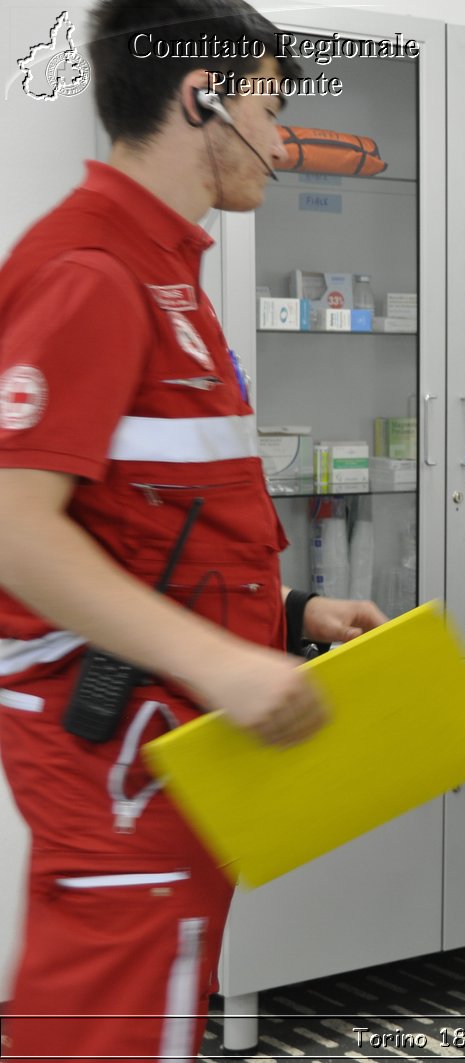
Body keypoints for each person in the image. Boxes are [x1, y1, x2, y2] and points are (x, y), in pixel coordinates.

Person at [0, 2, 385, 1058]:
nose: (280, 135)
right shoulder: (90, 270)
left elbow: (148, 519)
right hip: (119, 750)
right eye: (269, 102)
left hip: (179, 741)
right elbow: (15, 531)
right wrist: (225, 662)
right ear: (200, 95)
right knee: (102, 1030)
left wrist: (291, 610)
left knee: (156, 1009)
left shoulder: (168, 270)